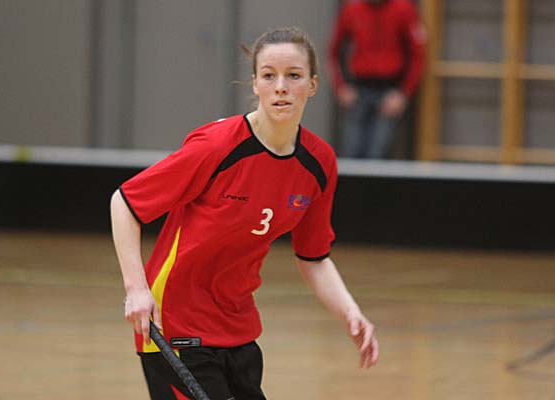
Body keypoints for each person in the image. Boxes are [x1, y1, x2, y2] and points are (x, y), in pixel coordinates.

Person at [110, 26, 379, 400]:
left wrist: (350, 313)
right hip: (174, 324)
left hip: (238, 327)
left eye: (294, 76)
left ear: (313, 85)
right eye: (269, 76)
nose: (281, 87)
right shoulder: (217, 146)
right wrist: (136, 289)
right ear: (255, 84)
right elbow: (124, 203)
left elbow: (314, 258)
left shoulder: (319, 163)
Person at [328, 0, 426, 158]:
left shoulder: (404, 9)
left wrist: (403, 94)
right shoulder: (352, 9)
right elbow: (334, 52)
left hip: (390, 91)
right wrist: (341, 87)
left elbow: (417, 56)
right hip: (358, 90)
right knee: (351, 150)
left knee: (379, 152)